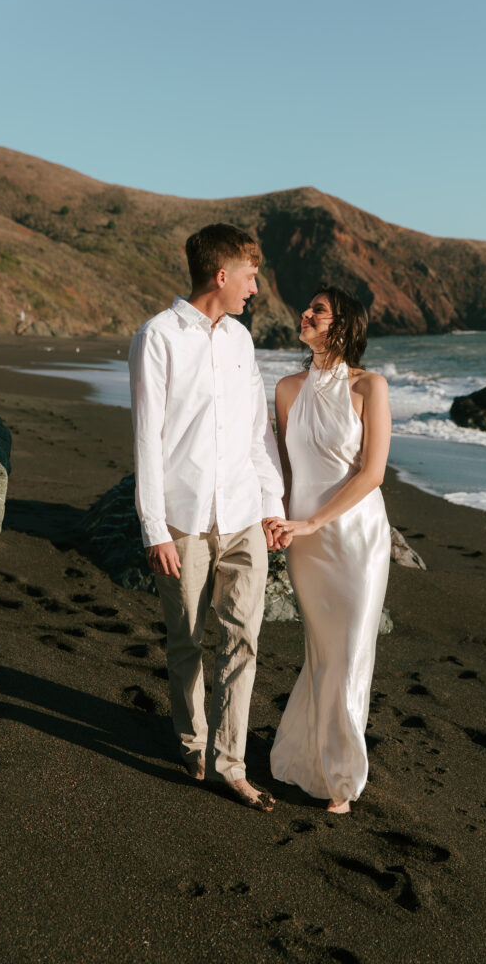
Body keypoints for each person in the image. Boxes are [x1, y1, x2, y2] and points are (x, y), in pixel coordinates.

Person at [128, 223, 285, 812]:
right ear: (221, 275)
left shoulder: (242, 342)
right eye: (249, 276)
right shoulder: (158, 337)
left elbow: (256, 434)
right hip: (185, 518)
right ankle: (193, 742)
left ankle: (232, 763)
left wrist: (271, 506)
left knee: (244, 640)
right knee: (187, 639)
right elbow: (147, 439)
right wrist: (154, 529)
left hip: (243, 513)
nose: (253, 288)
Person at [265, 286, 391, 814]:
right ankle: (306, 759)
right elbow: (285, 469)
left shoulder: (370, 386)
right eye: (308, 306)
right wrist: (279, 516)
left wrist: (313, 521)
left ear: (343, 324)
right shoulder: (288, 388)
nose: (306, 313)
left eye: (318, 310)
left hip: (356, 538)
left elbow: (372, 473)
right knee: (322, 653)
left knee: (351, 651)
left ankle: (342, 775)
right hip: (304, 541)